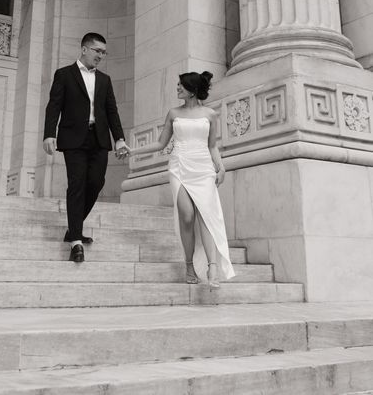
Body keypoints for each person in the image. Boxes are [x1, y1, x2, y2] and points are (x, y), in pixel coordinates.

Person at [130, 71, 235, 288]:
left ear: (192, 89)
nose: (177, 87)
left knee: (206, 215)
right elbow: (160, 144)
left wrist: (221, 167)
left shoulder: (209, 114)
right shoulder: (173, 113)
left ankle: (212, 267)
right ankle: (189, 265)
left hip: (203, 168)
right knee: (186, 216)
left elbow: (212, 145)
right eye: (177, 84)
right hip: (178, 166)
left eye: (181, 85)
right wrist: (132, 151)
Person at [43, 32, 130, 262]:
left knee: (96, 182)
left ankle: (73, 227)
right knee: (77, 184)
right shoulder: (64, 74)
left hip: (99, 138)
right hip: (73, 138)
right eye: (97, 51)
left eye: (104, 52)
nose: (101, 55)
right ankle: (76, 242)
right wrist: (49, 134)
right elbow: (54, 106)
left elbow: (112, 111)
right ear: (84, 49)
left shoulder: (105, 79)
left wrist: (119, 138)